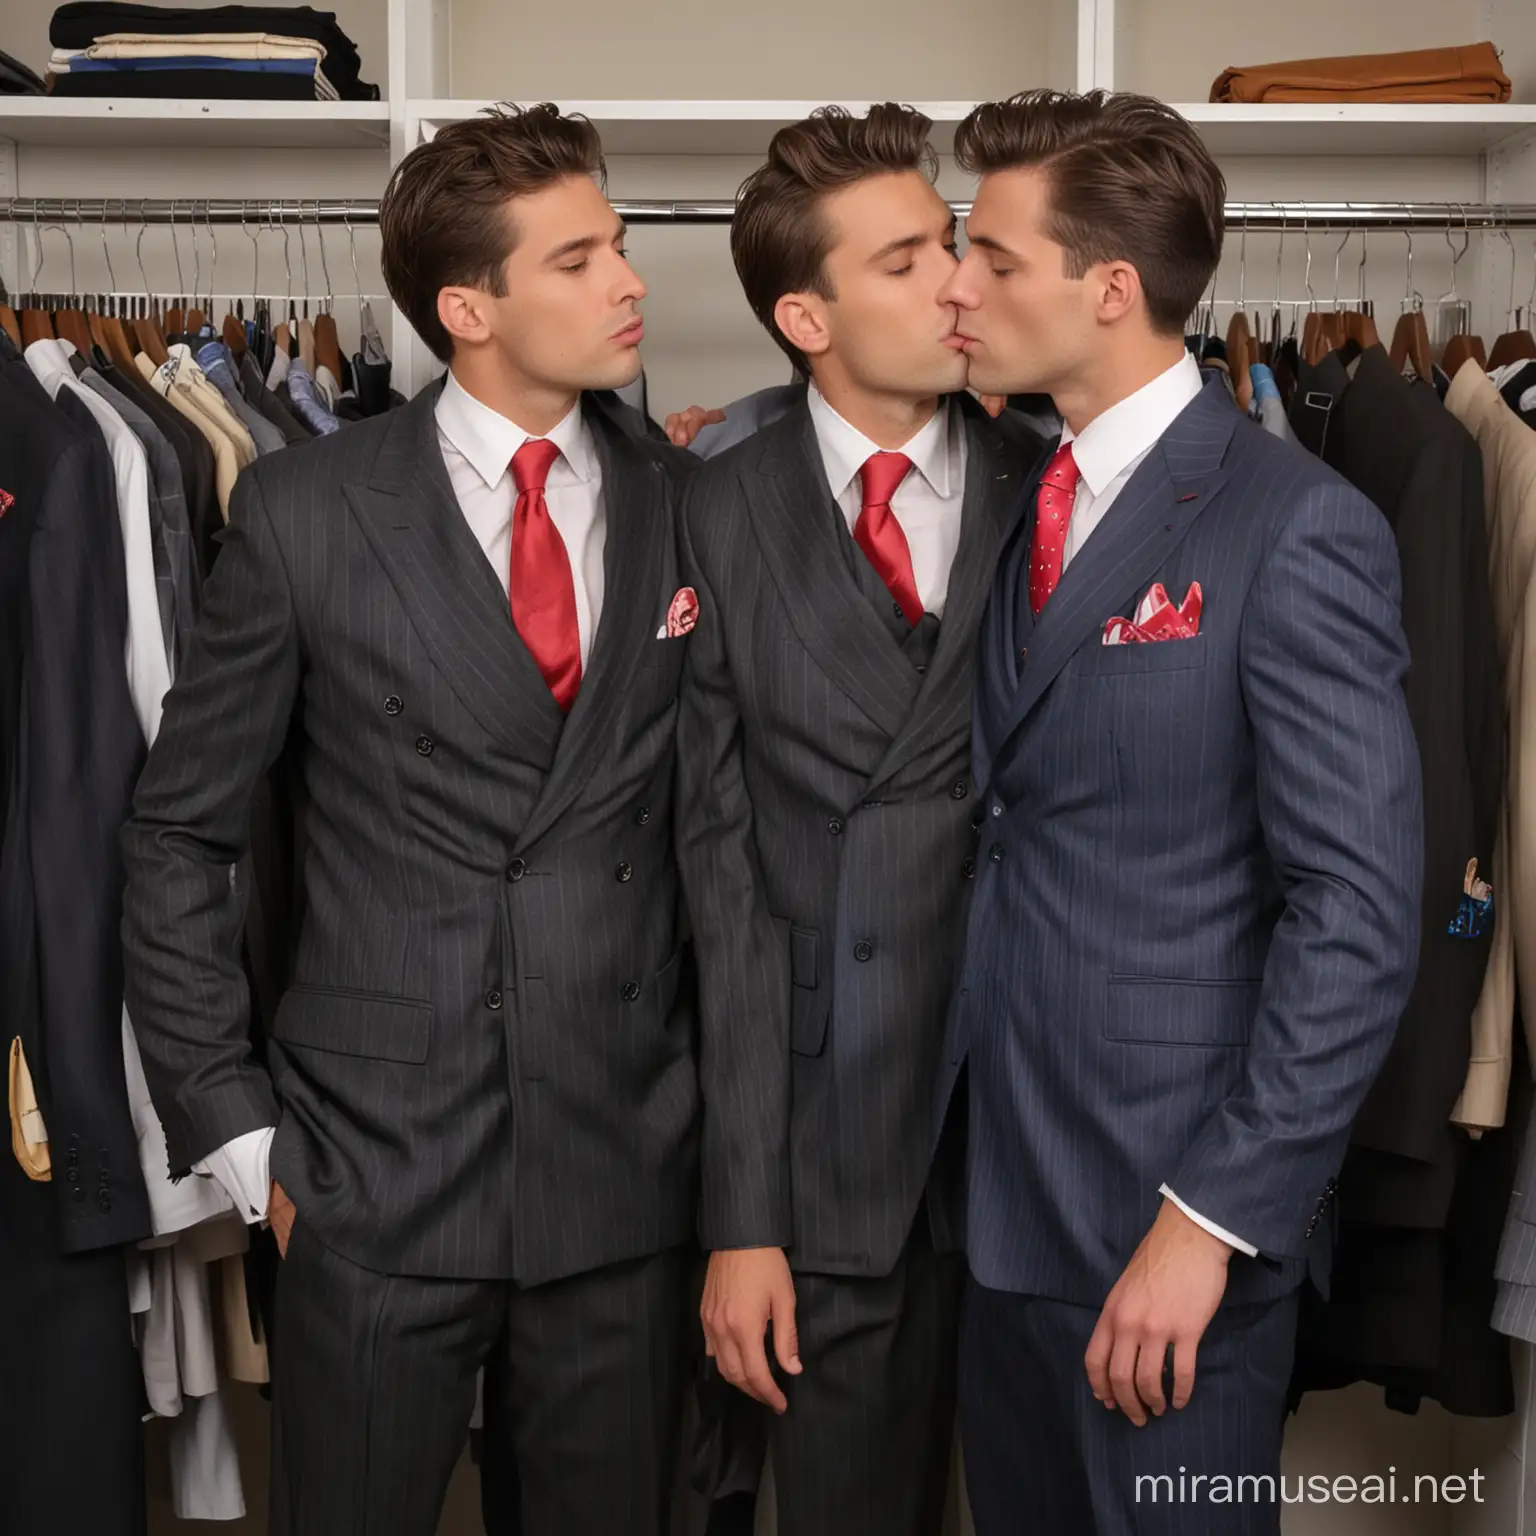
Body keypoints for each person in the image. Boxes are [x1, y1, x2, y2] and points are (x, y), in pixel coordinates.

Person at [120, 103, 700, 1536]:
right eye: (578, 260)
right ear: (468, 307)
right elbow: (181, 835)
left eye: (619, 247)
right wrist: (246, 1144)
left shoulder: (699, 505)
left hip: (624, 1173)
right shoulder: (307, 510)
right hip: (373, 1169)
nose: (630, 282)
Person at [933, 89, 1423, 1535]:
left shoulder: (1294, 523)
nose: (959, 284)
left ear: (1110, 288)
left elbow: (1359, 915)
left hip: (1167, 1225)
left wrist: (1207, 1224)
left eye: (995, 258)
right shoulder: (1023, 491)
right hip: (999, 1204)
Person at [674, 103, 1051, 1536]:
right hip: (829, 1145)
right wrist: (745, 1217)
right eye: (905, 262)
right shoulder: (705, 510)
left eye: (952, 245)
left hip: (1046, 1123)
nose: (960, 281)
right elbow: (713, 882)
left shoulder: (1065, 490)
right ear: (805, 315)